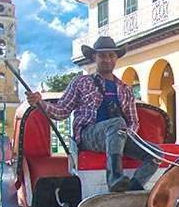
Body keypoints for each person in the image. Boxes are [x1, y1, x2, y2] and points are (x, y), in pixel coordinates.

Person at [27, 35, 157, 193]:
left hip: (119, 135)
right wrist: (40, 102)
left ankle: (132, 187)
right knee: (117, 123)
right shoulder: (81, 82)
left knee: (155, 153)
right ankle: (114, 177)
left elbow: (133, 121)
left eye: (111, 55)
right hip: (89, 135)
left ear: (116, 58)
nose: (107, 59)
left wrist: (126, 136)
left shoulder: (125, 89)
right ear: (94, 57)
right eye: (102, 55)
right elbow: (61, 111)